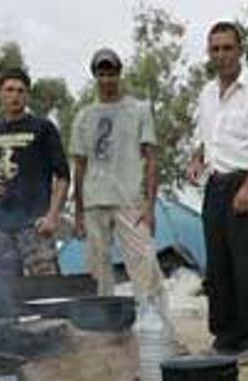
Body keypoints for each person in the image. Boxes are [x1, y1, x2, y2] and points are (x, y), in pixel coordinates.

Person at [186, 21, 248, 364]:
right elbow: (203, 137)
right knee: (218, 264)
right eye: (215, 49)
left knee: (247, 263)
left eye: (227, 48)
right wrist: (196, 161)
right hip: (216, 184)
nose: (221, 55)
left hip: (247, 181)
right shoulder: (207, 93)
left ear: (240, 51)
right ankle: (225, 337)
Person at [71, 48, 169, 316]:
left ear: (119, 74)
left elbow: (151, 158)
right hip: (94, 201)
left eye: (111, 73)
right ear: (95, 76)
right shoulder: (84, 116)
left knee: (145, 263)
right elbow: (79, 166)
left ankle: (160, 330)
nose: (107, 79)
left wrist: (149, 205)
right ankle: (106, 335)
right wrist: (78, 212)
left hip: (129, 200)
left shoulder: (138, 109)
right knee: (98, 272)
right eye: (101, 73)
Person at [0, 68, 70, 315]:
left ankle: (57, 341)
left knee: (48, 292)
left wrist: (54, 215)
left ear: (27, 96)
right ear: (0, 94)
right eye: (9, 90)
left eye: (21, 91)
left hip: (35, 225)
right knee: (3, 293)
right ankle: (10, 340)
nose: (15, 96)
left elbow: (63, 176)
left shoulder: (43, 128)